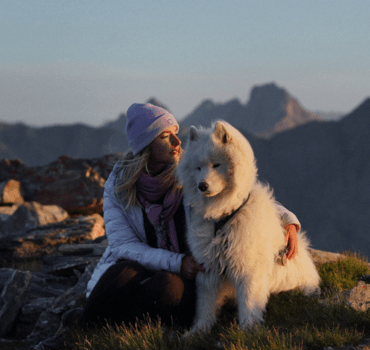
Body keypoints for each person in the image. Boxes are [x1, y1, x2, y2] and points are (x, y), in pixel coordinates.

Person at [80, 103, 301, 328]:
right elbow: (122, 246)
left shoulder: (194, 169)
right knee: (123, 271)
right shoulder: (119, 184)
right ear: (145, 146)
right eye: (165, 137)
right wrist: (177, 262)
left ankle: (99, 326)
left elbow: (242, 193)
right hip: (152, 265)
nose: (177, 142)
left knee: (167, 286)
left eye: (176, 134)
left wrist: (287, 219)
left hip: (189, 275)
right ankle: (83, 328)